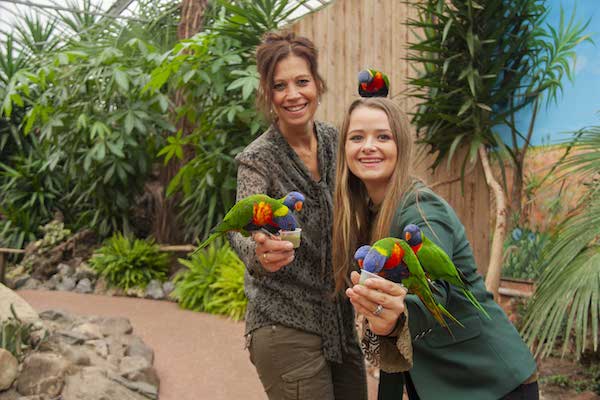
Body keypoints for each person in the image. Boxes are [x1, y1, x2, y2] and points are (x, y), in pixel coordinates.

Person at [332, 97, 539, 400]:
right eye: (357, 137)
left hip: (489, 379)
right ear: (344, 150)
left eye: (383, 136)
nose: (369, 146)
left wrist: (395, 317)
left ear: (400, 146)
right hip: (442, 383)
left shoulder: (420, 209)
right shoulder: (367, 212)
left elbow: (435, 289)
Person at [228, 31, 368, 400]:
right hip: (283, 323)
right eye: (280, 85)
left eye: (302, 81)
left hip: (339, 324)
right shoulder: (258, 160)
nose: (293, 94)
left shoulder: (337, 142)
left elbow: (370, 198)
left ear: (317, 85)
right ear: (268, 94)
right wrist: (257, 252)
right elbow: (239, 229)